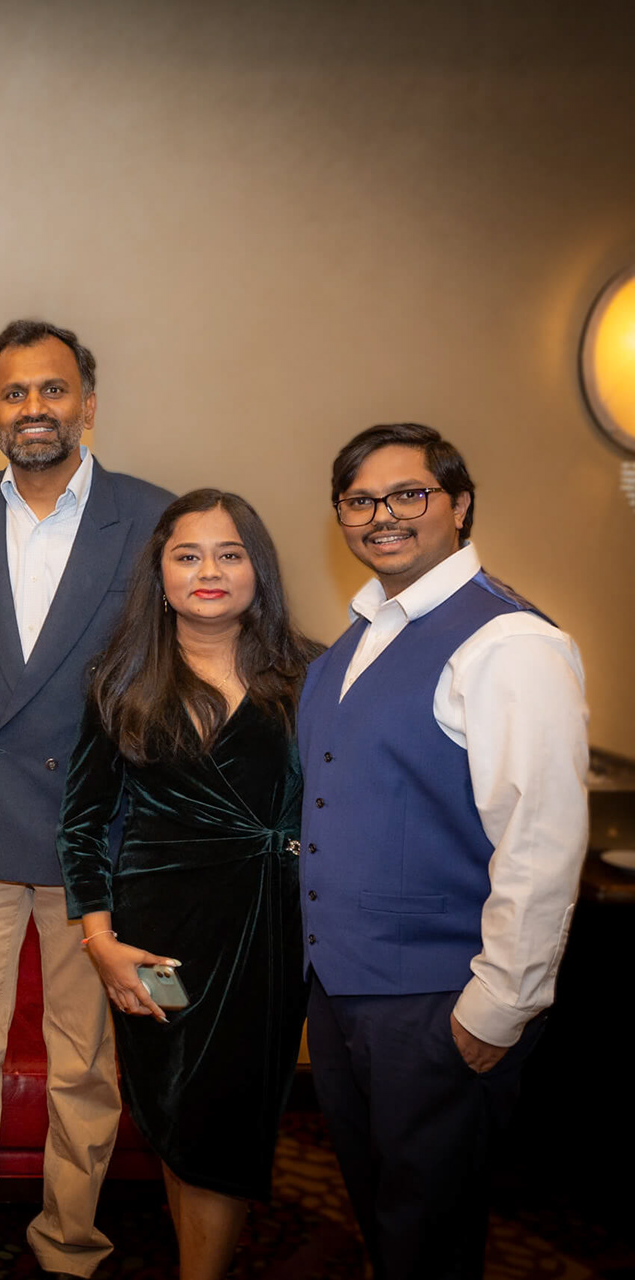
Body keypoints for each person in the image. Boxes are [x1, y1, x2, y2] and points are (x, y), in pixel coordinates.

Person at [299, 423, 588, 1279]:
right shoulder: (357, 638)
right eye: (359, 500)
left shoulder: (510, 642)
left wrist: (499, 1004)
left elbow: (541, 840)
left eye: (408, 494)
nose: (382, 515)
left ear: (459, 505)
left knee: (430, 1238)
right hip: (344, 992)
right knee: (384, 1219)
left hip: (436, 1000)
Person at [0, 320, 172, 1280]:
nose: (35, 408)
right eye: (14, 393)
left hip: (94, 839)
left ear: (88, 404)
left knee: (84, 1063)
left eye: (53, 390)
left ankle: (70, 1241)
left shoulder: (152, 519)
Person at [56, 490, 320, 1279]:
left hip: (268, 940)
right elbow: (82, 825)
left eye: (230, 554)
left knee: (226, 1118)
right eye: (189, 555)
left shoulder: (311, 676)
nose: (210, 571)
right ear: (160, 573)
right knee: (175, 1110)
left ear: (257, 569)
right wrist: (100, 943)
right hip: (154, 951)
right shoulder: (121, 680)